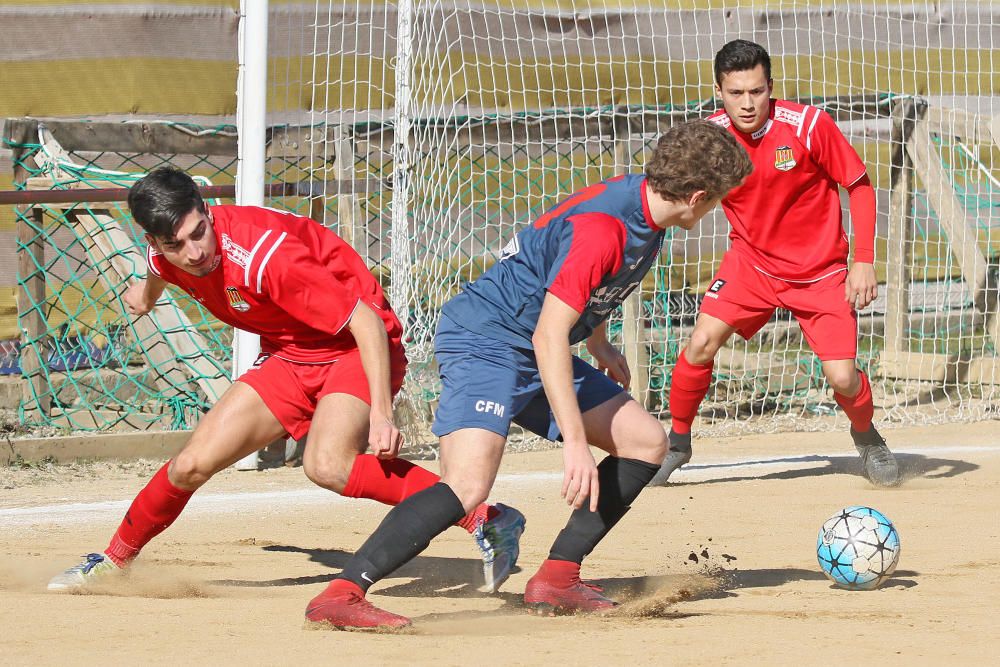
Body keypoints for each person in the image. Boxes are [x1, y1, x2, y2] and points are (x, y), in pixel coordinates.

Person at [302, 120, 753, 630]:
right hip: (487, 340)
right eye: (718, 200)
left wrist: (599, 340)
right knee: (468, 485)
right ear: (696, 196)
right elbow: (549, 335)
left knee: (645, 442)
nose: (716, 209)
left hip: (532, 341)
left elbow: (583, 286)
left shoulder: (643, 207)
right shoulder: (605, 229)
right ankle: (343, 592)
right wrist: (575, 442)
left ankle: (558, 578)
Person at [47, 167, 525, 594]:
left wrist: (381, 413)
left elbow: (366, 324)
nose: (194, 253)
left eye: (199, 234)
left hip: (354, 347)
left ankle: (487, 518)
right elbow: (161, 268)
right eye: (176, 244)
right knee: (189, 465)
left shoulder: (266, 259)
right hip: (292, 354)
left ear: (206, 211)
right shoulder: (170, 252)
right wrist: (147, 295)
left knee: (328, 465)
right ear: (154, 241)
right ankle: (112, 561)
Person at [650, 40, 900, 487]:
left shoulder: (808, 125)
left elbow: (860, 185)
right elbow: (671, 192)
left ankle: (867, 436)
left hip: (820, 273)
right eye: (736, 93)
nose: (748, 103)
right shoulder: (711, 138)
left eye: (757, 91)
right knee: (700, 343)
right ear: (719, 92)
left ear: (771, 87)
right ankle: (677, 444)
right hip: (751, 266)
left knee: (842, 378)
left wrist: (863, 260)